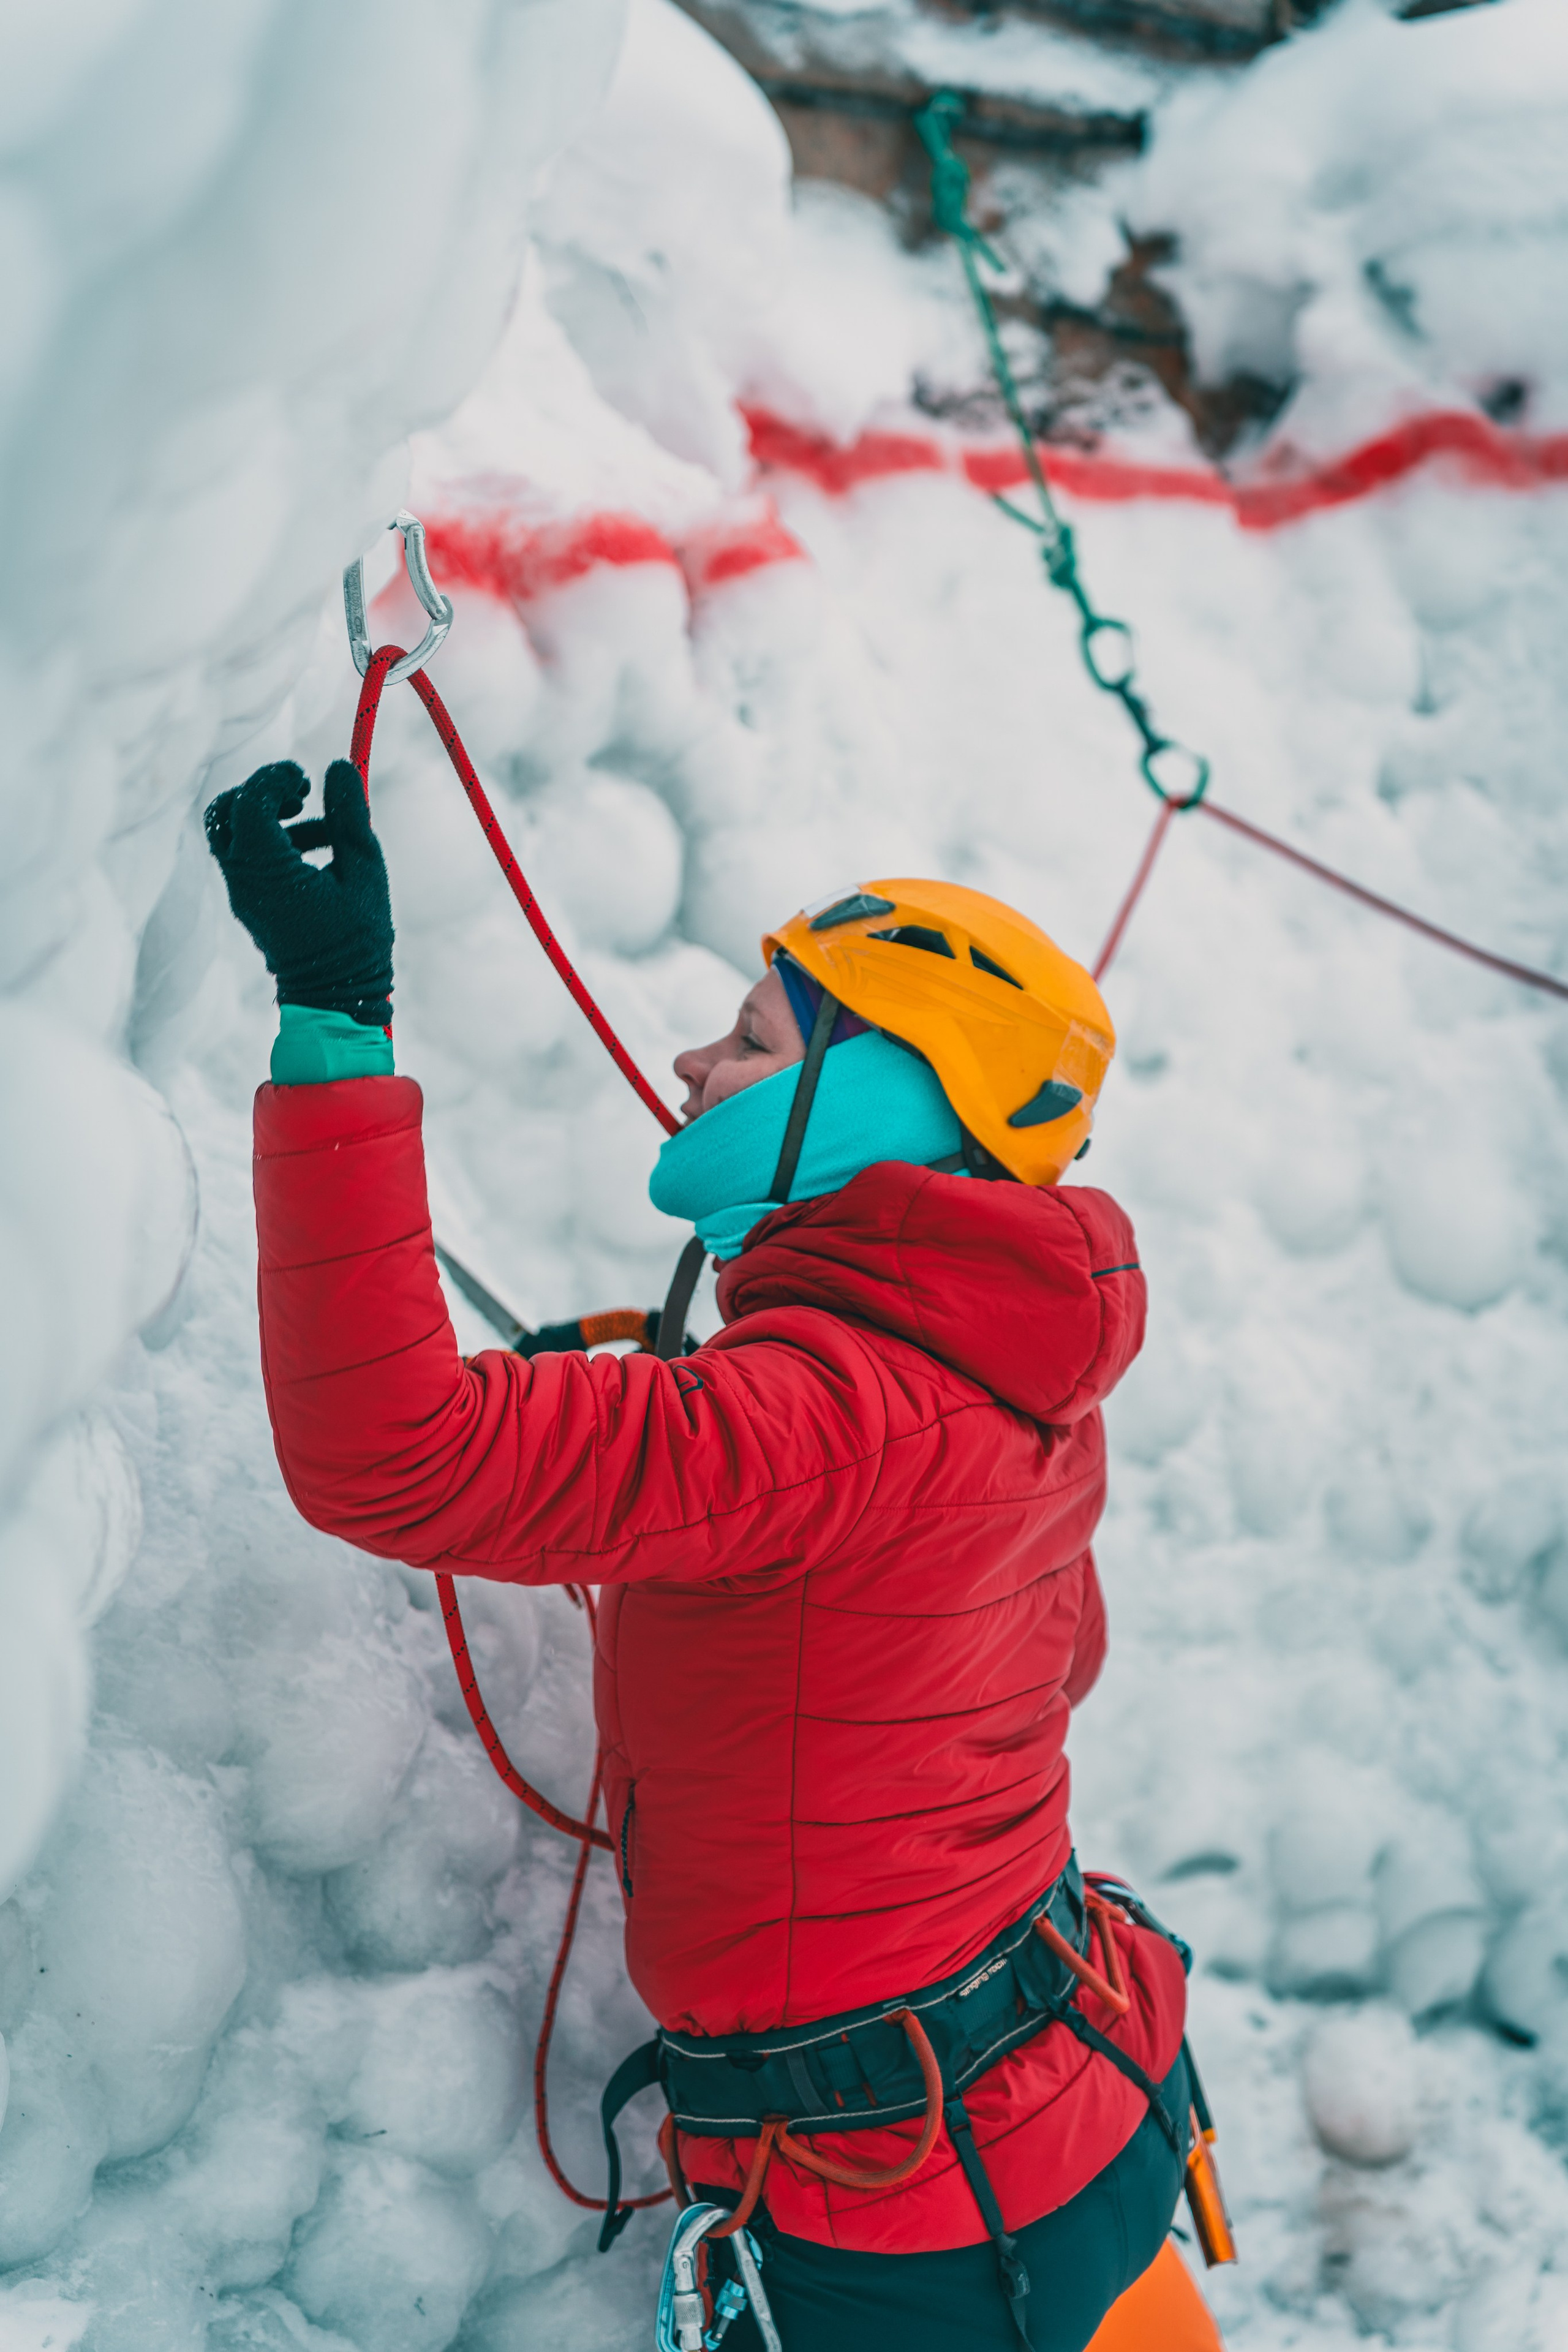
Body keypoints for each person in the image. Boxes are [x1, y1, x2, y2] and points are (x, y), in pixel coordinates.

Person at [206, 756, 1195, 2352]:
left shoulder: (816, 1419)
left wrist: (337, 1015)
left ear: (877, 1107)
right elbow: (1050, 1645)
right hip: (1072, 2095)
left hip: (909, 2224)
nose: (690, 1058)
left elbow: (393, 1452)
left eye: (746, 1041)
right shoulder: (1026, 1375)